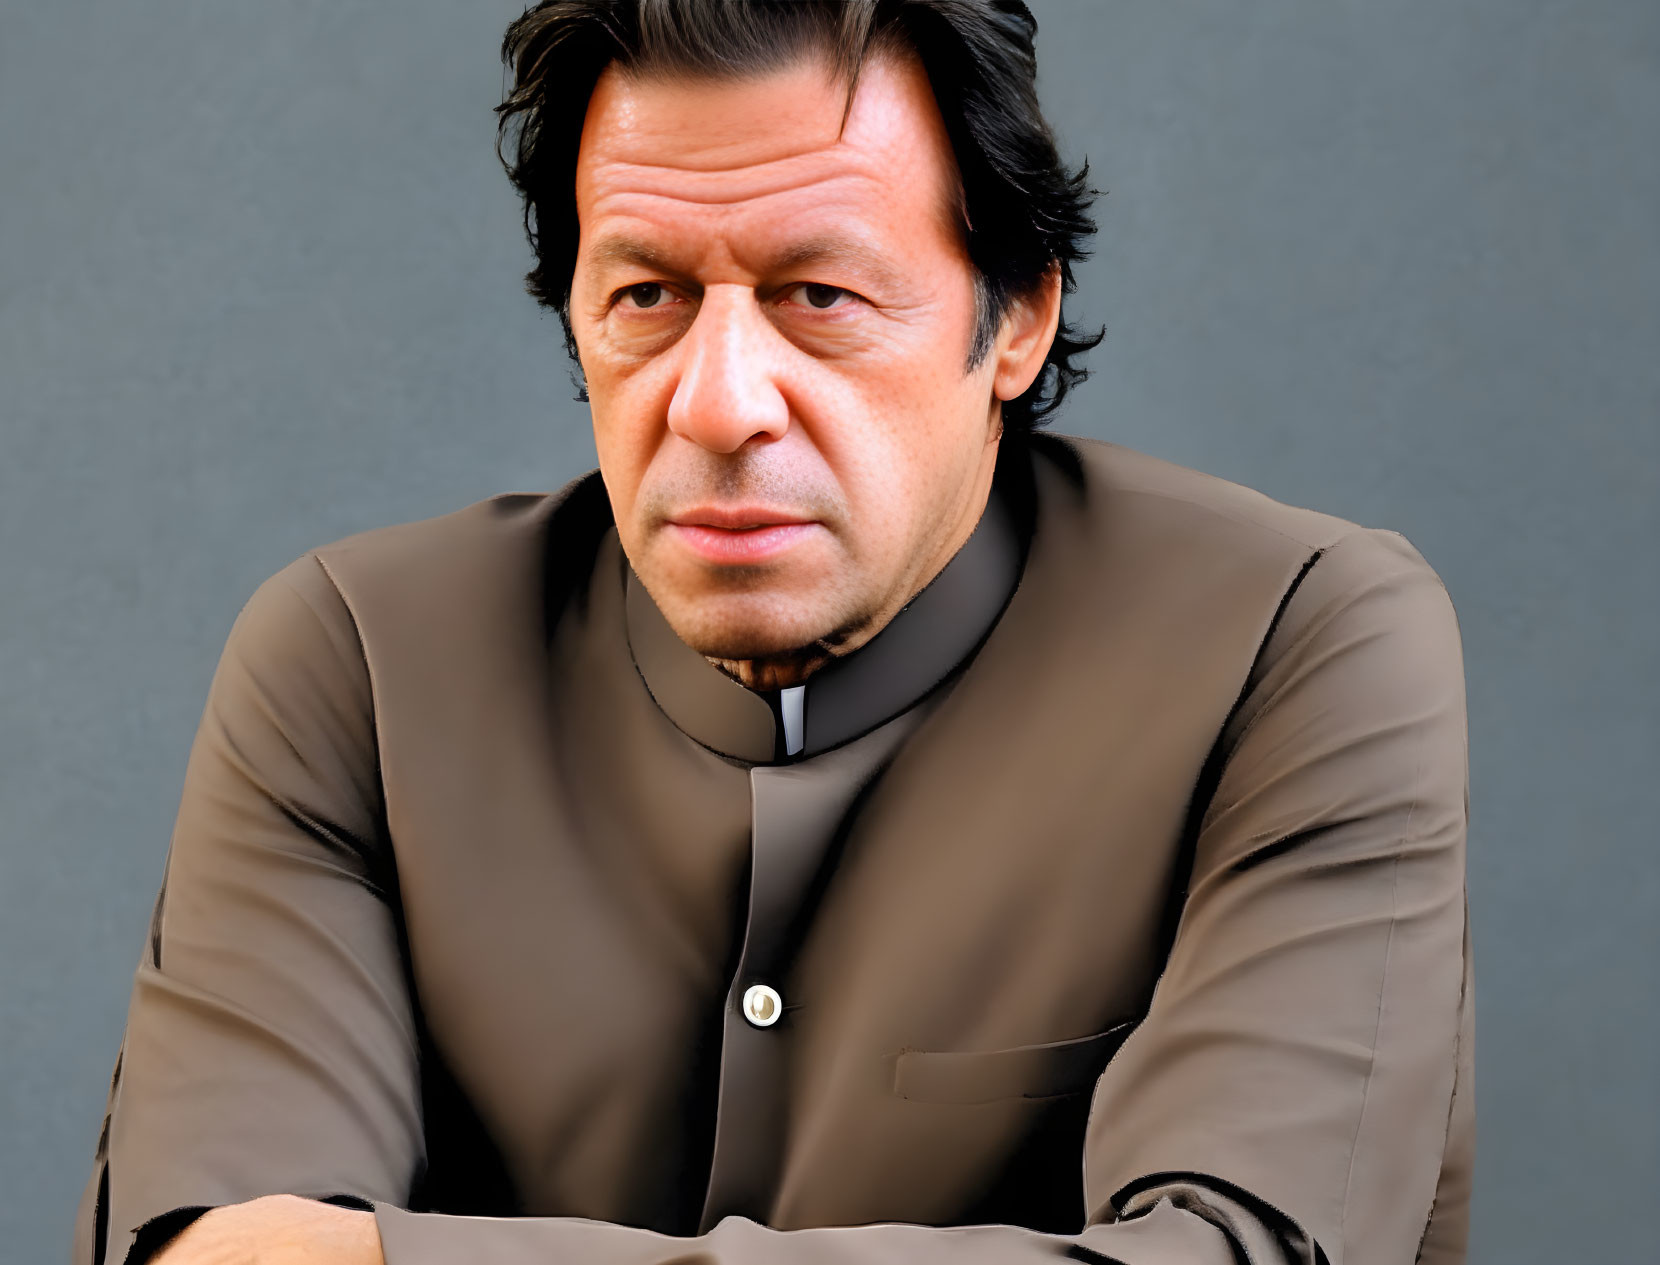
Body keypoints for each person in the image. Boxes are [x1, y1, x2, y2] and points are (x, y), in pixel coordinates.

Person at [73, 3, 1474, 1264]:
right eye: (649, 298)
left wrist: (389, 1258)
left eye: (820, 295)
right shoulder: (357, 668)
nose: (720, 402)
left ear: (1018, 317)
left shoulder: (1292, 643)